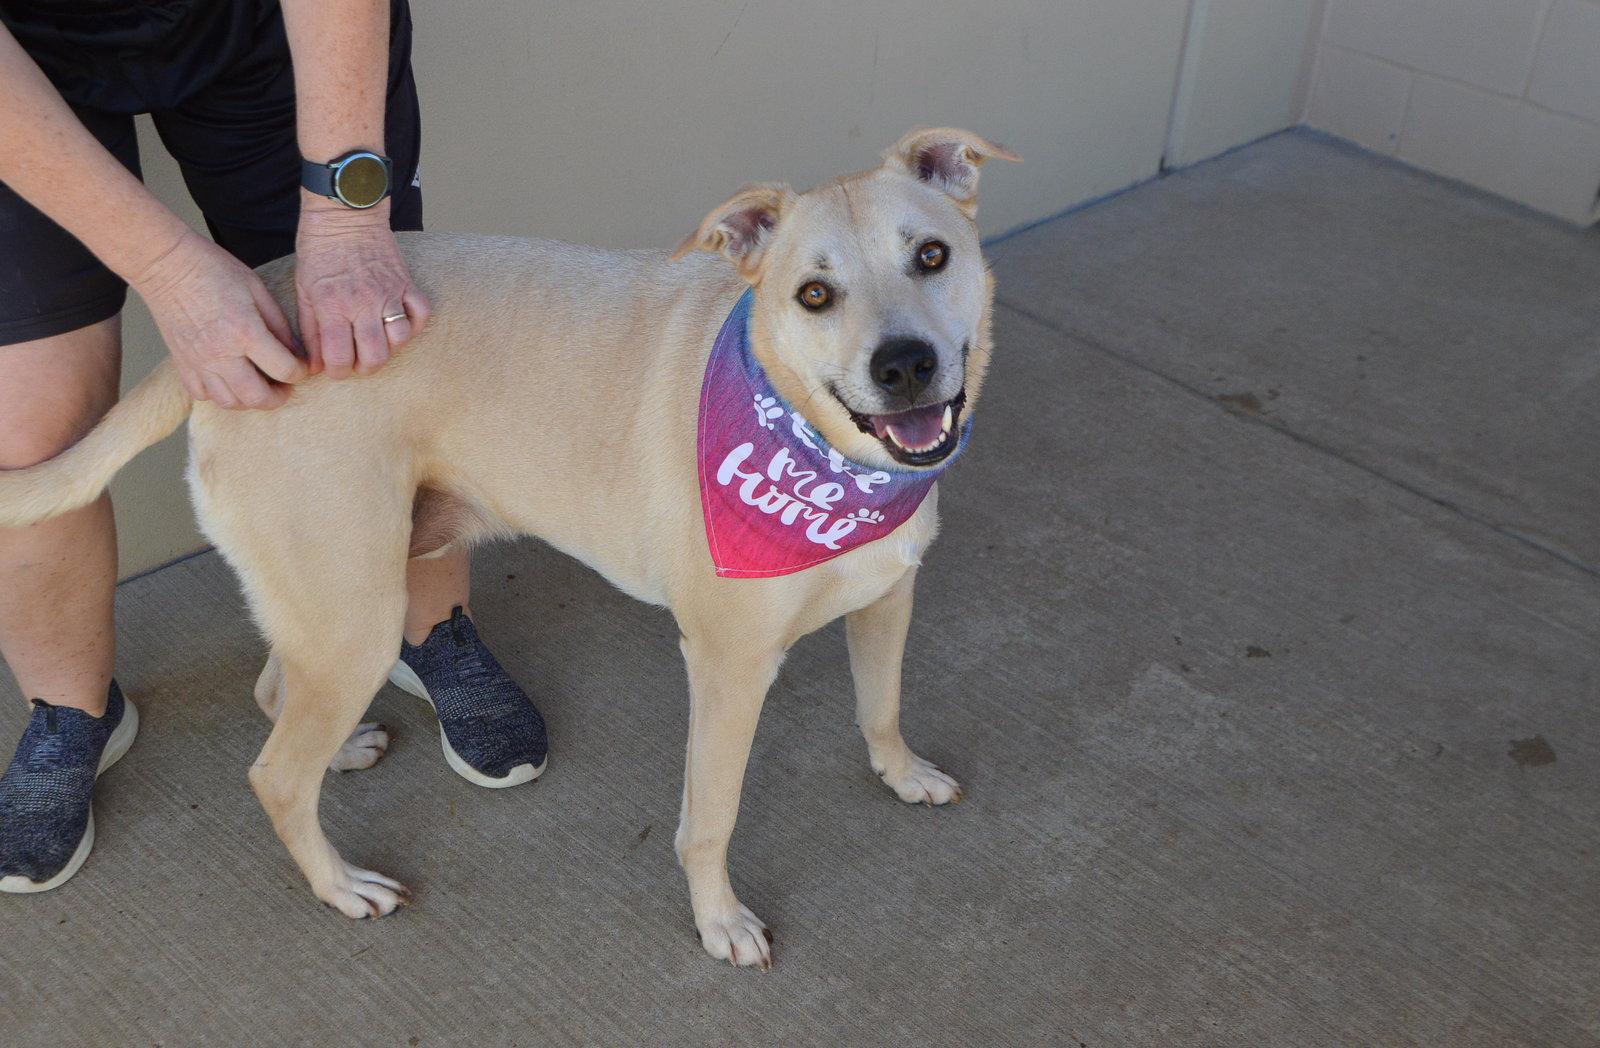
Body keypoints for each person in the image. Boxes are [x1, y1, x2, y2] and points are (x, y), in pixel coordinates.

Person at [0, 0, 547, 894]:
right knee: (29, 425)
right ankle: (70, 712)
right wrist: (169, 271)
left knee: (370, 345)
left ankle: (432, 632)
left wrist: (343, 228)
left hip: (256, 21)